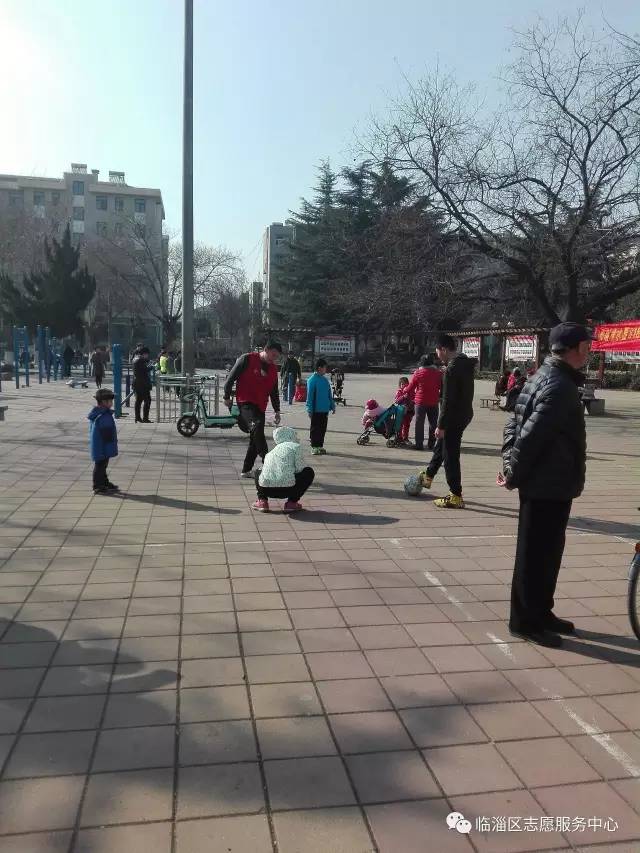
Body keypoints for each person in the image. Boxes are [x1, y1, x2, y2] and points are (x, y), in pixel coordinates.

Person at [500, 322, 591, 648]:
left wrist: (509, 463)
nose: (589, 351)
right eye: (587, 346)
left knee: (548, 553)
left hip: (552, 482)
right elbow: (530, 436)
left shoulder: (544, 376)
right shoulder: (559, 385)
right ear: (575, 348)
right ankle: (524, 621)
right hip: (545, 484)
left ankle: (541, 611)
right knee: (534, 555)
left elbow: (513, 424)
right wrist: (513, 473)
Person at [419, 335, 476, 508]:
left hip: (453, 416)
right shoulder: (464, 364)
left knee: (450, 455)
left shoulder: (452, 369)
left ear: (443, 349)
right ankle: (428, 475)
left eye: (437, 351)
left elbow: (447, 400)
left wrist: (441, 425)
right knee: (442, 445)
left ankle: (455, 495)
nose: (437, 355)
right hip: (464, 413)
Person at [224, 340, 282, 478]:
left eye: (277, 357)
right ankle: (268, 462)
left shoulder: (273, 369)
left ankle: (246, 470)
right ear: (266, 350)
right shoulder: (247, 359)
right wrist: (227, 396)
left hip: (261, 405)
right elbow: (230, 379)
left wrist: (277, 410)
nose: (274, 358)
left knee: (255, 436)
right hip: (245, 402)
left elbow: (274, 391)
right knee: (257, 427)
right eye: (273, 355)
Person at [252, 426, 314, 513]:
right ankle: (292, 503)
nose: (298, 438)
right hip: (288, 489)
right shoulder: (295, 446)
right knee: (308, 471)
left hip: (266, 490)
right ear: (291, 436)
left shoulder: (271, 452)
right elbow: (300, 468)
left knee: (258, 471)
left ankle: (262, 501)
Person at [406, 354, 443, 450]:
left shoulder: (418, 373)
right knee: (433, 423)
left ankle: (419, 444)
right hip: (434, 401)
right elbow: (442, 387)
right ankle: (431, 444)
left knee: (419, 423)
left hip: (420, 402)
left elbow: (410, 388)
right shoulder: (438, 373)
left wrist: (404, 390)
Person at [88, 388, 119, 495]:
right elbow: (107, 433)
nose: (111, 403)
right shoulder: (104, 415)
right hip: (103, 446)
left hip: (99, 445)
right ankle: (97, 485)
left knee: (102, 465)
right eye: (110, 401)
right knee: (100, 465)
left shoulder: (99, 413)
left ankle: (104, 482)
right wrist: (112, 442)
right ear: (104, 402)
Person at [306, 358, 335, 455]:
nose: (326, 369)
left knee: (323, 429)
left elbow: (329, 394)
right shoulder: (312, 380)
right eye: (325, 367)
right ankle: (314, 446)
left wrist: (332, 405)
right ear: (319, 368)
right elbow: (309, 396)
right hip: (315, 410)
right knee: (315, 429)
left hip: (324, 410)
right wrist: (309, 409)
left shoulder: (325, 380)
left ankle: (320, 446)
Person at [132, 346, 153, 423]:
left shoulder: (135, 359)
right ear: (144, 354)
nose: (148, 356)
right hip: (142, 384)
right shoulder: (140, 360)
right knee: (147, 400)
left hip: (137, 383)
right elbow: (144, 370)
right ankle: (145, 418)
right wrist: (151, 367)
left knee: (139, 400)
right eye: (147, 354)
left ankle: (137, 417)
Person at [394, 377, 415, 444]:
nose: (404, 386)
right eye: (402, 384)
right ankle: (399, 437)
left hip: (409, 411)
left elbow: (415, 399)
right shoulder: (399, 391)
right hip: (401, 411)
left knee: (406, 425)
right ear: (400, 385)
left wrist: (412, 402)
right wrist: (403, 397)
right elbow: (396, 401)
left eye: (406, 384)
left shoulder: (411, 391)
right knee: (400, 425)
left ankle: (405, 438)